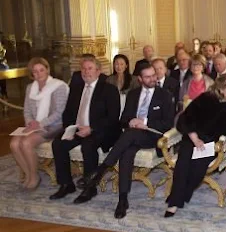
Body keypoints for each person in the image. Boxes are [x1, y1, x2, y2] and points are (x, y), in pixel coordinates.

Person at [81, 63, 175, 218]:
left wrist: (143, 122)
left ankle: (101, 170)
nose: (153, 78)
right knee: (126, 153)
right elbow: (123, 119)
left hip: (153, 135)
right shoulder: (133, 94)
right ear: (140, 79)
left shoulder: (165, 95)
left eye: (154, 75)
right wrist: (130, 121)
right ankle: (122, 200)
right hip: (132, 135)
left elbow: (168, 123)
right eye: (148, 76)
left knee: (130, 135)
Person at [165, 73, 226, 217]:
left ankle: (178, 196)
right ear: (221, 89)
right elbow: (185, 118)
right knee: (182, 167)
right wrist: (195, 139)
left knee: (197, 172)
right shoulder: (206, 99)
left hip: (211, 144)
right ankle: (174, 203)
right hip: (192, 138)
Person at [49, 57, 120, 202]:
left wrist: (91, 128)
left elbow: (113, 117)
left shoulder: (109, 89)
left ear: (98, 71)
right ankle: (66, 184)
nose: (86, 72)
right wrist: (69, 129)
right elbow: (68, 113)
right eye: (83, 68)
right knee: (58, 143)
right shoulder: (76, 89)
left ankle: (89, 187)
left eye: (90, 68)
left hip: (101, 130)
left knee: (88, 145)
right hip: (77, 128)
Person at [11, 57, 68, 189]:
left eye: (41, 70)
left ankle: (34, 177)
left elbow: (59, 112)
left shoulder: (59, 86)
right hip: (34, 125)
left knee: (26, 143)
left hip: (54, 126)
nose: (39, 74)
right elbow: (26, 111)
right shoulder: (30, 88)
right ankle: (30, 174)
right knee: (14, 143)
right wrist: (30, 122)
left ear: (47, 70)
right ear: (32, 74)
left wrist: (40, 124)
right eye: (35, 71)